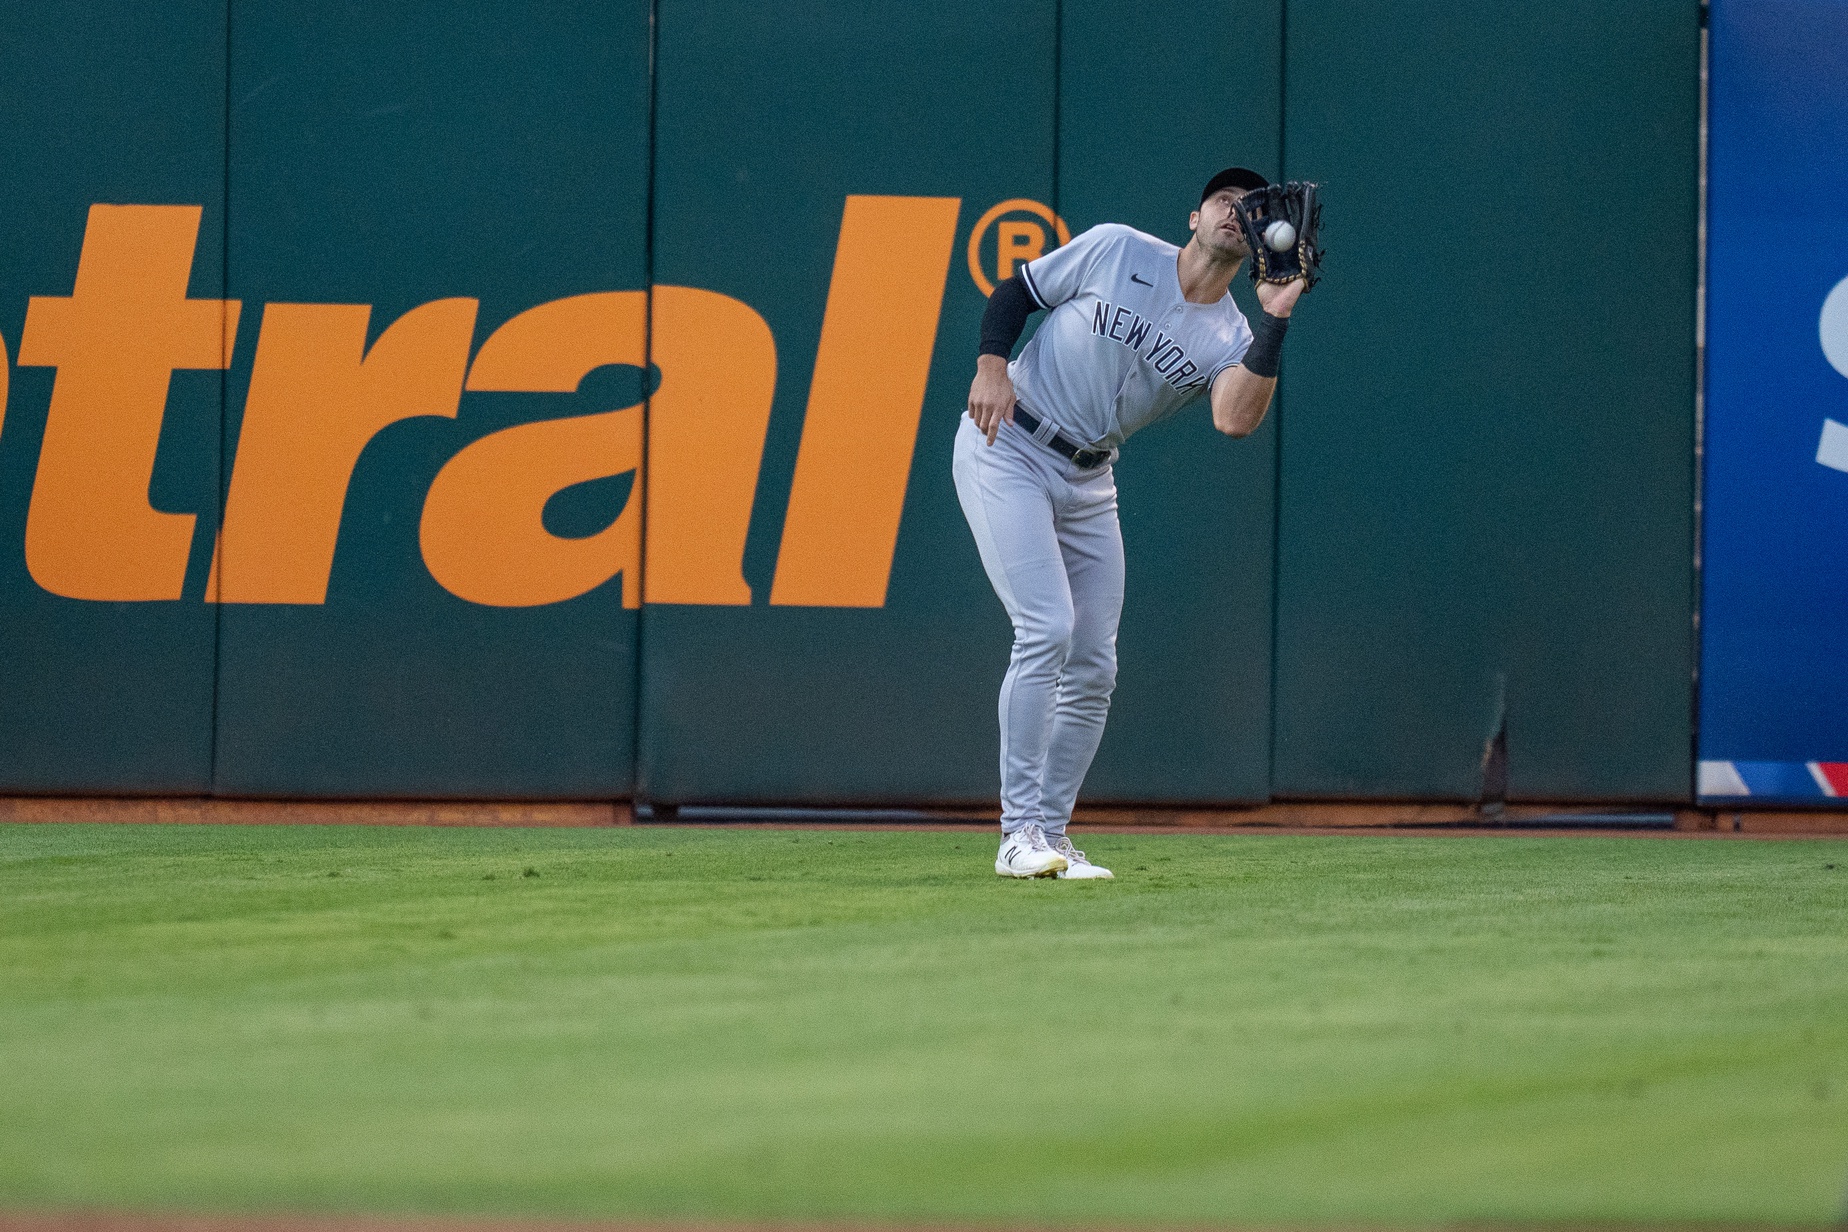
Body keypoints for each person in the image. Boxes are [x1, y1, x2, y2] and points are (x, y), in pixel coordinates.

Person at [954, 166, 1307, 879]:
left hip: (1089, 477)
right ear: (1194, 214)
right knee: (1046, 627)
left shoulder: (1234, 333)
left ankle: (1050, 836)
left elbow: (1234, 419)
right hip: (1010, 444)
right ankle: (1017, 831)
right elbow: (1016, 292)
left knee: (1093, 663)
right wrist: (992, 364)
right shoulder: (1118, 249)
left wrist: (1276, 317)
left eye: (1251, 207)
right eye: (1223, 201)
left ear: (1263, 240)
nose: (1235, 212)